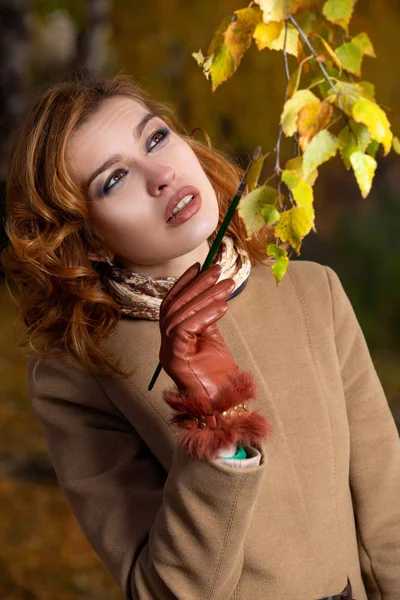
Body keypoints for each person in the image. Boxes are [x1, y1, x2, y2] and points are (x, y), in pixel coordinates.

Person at [1, 73, 399, 600]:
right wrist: (216, 428)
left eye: (156, 138)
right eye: (114, 179)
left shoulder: (313, 292)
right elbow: (162, 591)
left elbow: (388, 516)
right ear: (88, 241)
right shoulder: (78, 373)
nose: (160, 175)